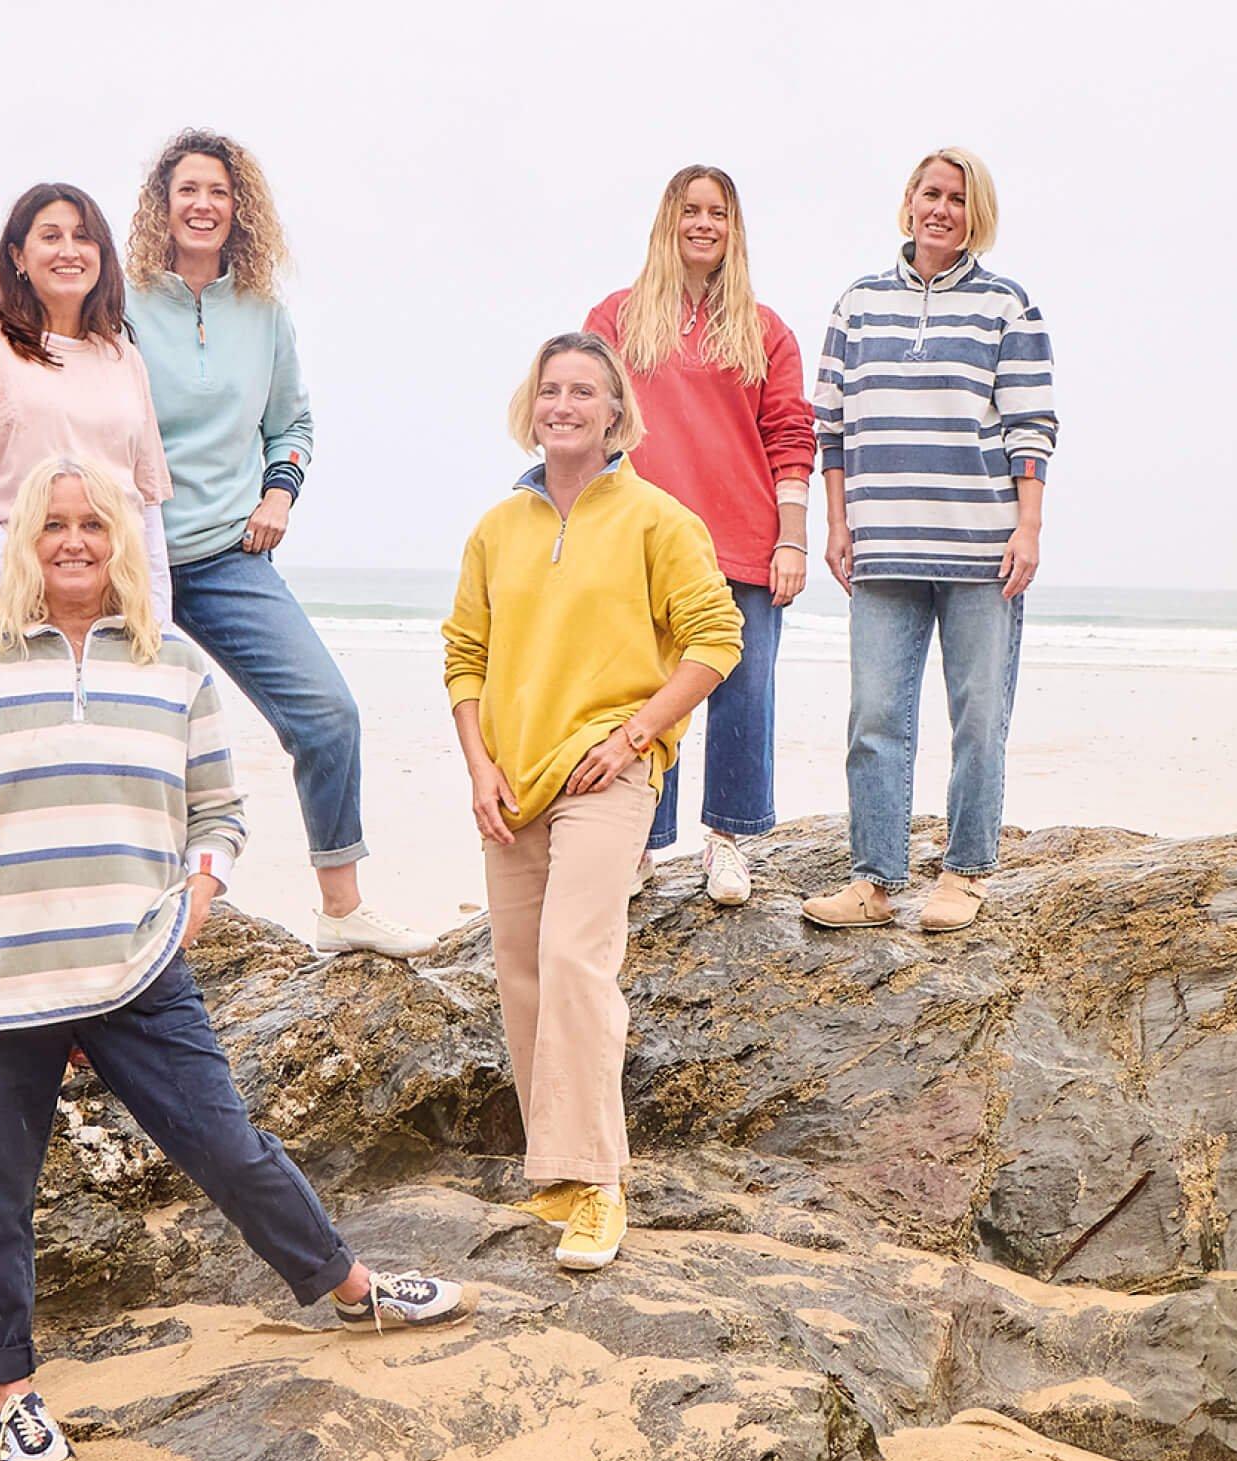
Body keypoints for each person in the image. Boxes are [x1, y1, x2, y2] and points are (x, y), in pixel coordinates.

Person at [0, 454, 472, 1461]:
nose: (74, 542)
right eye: (54, 525)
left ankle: (350, 1288)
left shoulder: (176, 669)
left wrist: (198, 900)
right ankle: (11, 1398)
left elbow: (221, 811)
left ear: (124, 543)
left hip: (139, 963)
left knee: (228, 1144)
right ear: (26, 542)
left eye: (95, 525)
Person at [440, 334, 742, 1272]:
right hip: (513, 781)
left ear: (616, 412)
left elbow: (715, 640)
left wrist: (634, 738)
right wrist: (480, 768)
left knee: (577, 961)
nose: (563, 404)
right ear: (532, 406)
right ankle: (557, 1174)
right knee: (522, 974)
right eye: (550, 389)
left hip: (606, 777)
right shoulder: (497, 529)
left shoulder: (659, 520)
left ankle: (603, 1183)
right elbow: (465, 659)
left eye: (584, 391)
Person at [124, 129, 432, 958]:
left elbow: (290, 421)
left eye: (218, 192)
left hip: (226, 555)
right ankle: (119, 918)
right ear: (162, 204)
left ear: (238, 208)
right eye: (187, 189)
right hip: (124, 560)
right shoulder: (118, 305)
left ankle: (341, 907)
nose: (202, 204)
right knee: (125, 744)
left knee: (329, 717)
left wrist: (278, 493)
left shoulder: (263, 313)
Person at [801, 148, 1057, 934]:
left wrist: (1029, 527)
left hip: (982, 549)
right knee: (875, 716)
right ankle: (875, 881)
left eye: (957, 198)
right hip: (882, 547)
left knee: (980, 716)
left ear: (975, 212)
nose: (941, 208)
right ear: (908, 202)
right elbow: (831, 428)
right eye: (930, 193)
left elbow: (1031, 425)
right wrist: (838, 524)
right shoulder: (858, 304)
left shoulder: (1007, 306)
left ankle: (965, 872)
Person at [583, 165, 814, 905]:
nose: (704, 224)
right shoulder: (617, 317)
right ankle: (642, 844)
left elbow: (789, 433)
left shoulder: (765, 328)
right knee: (646, 694)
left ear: (734, 228)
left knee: (743, 693)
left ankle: (729, 843)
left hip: (744, 539)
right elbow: (590, 420)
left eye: (718, 213)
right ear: (669, 220)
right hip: (641, 541)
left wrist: (793, 537)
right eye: (691, 211)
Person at [0, 182, 174, 639]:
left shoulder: (123, 357)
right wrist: (27, 588)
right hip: (2, 604)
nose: (69, 250)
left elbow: (145, 503)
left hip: (112, 608)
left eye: (83, 237)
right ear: (17, 257)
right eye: (51, 236)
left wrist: (158, 619)